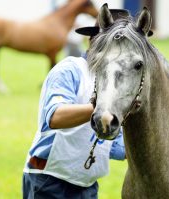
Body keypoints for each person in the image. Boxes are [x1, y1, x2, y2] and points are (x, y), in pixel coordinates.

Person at [22, 9, 130, 199]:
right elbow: (55, 117)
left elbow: (113, 146)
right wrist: (98, 108)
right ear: (95, 40)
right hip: (48, 179)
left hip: (86, 185)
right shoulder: (70, 69)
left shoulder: (114, 85)